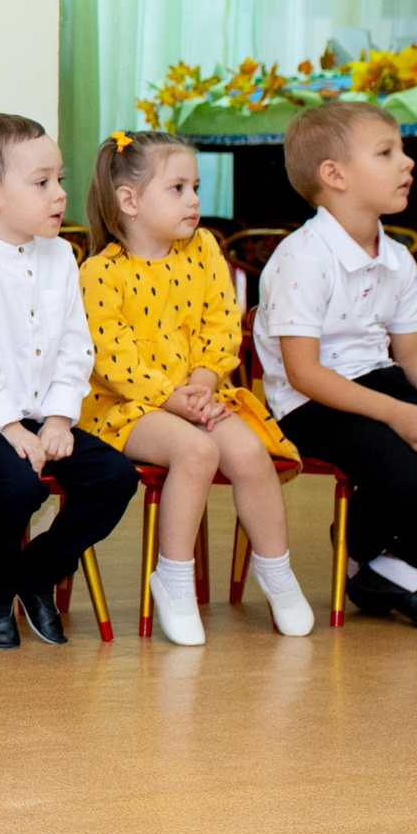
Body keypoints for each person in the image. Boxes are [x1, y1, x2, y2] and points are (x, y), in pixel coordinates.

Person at [256, 101, 417, 632]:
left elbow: (415, 352)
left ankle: (394, 565)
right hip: (309, 403)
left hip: (377, 381)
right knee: (401, 476)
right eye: (387, 153)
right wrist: (398, 416)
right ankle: (363, 545)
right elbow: (304, 373)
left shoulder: (397, 256)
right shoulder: (302, 257)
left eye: (401, 151)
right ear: (334, 176)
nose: (407, 163)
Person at [74, 128, 310, 642]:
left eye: (196, 188)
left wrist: (203, 381)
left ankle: (277, 569)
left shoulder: (202, 248)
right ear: (129, 200)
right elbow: (113, 358)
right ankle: (173, 579)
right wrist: (172, 398)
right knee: (197, 452)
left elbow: (222, 324)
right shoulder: (99, 272)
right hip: (127, 407)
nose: (195, 201)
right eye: (177, 188)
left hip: (198, 394)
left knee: (248, 453)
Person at [0, 114, 139, 649]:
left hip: (44, 419)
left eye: (60, 179)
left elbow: (75, 343)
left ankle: (36, 571)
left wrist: (62, 417)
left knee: (115, 475)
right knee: (18, 483)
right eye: (42, 182)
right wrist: (12, 426)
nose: (59, 194)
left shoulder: (62, 255)